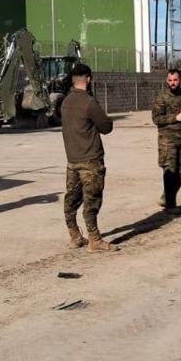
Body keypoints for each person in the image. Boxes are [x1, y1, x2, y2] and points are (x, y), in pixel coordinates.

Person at [60, 62, 117, 252]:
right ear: (89, 79)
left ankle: (74, 236)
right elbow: (106, 127)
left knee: (71, 200)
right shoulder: (89, 102)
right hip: (90, 161)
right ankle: (95, 240)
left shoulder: (66, 102)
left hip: (72, 161)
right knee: (91, 201)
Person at [151, 68, 181, 211]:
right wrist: (175, 117)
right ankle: (171, 205)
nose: (172, 83)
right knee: (170, 171)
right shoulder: (162, 97)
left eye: (175, 80)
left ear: (180, 79)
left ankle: (166, 196)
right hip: (167, 140)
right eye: (170, 80)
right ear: (166, 80)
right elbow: (156, 119)